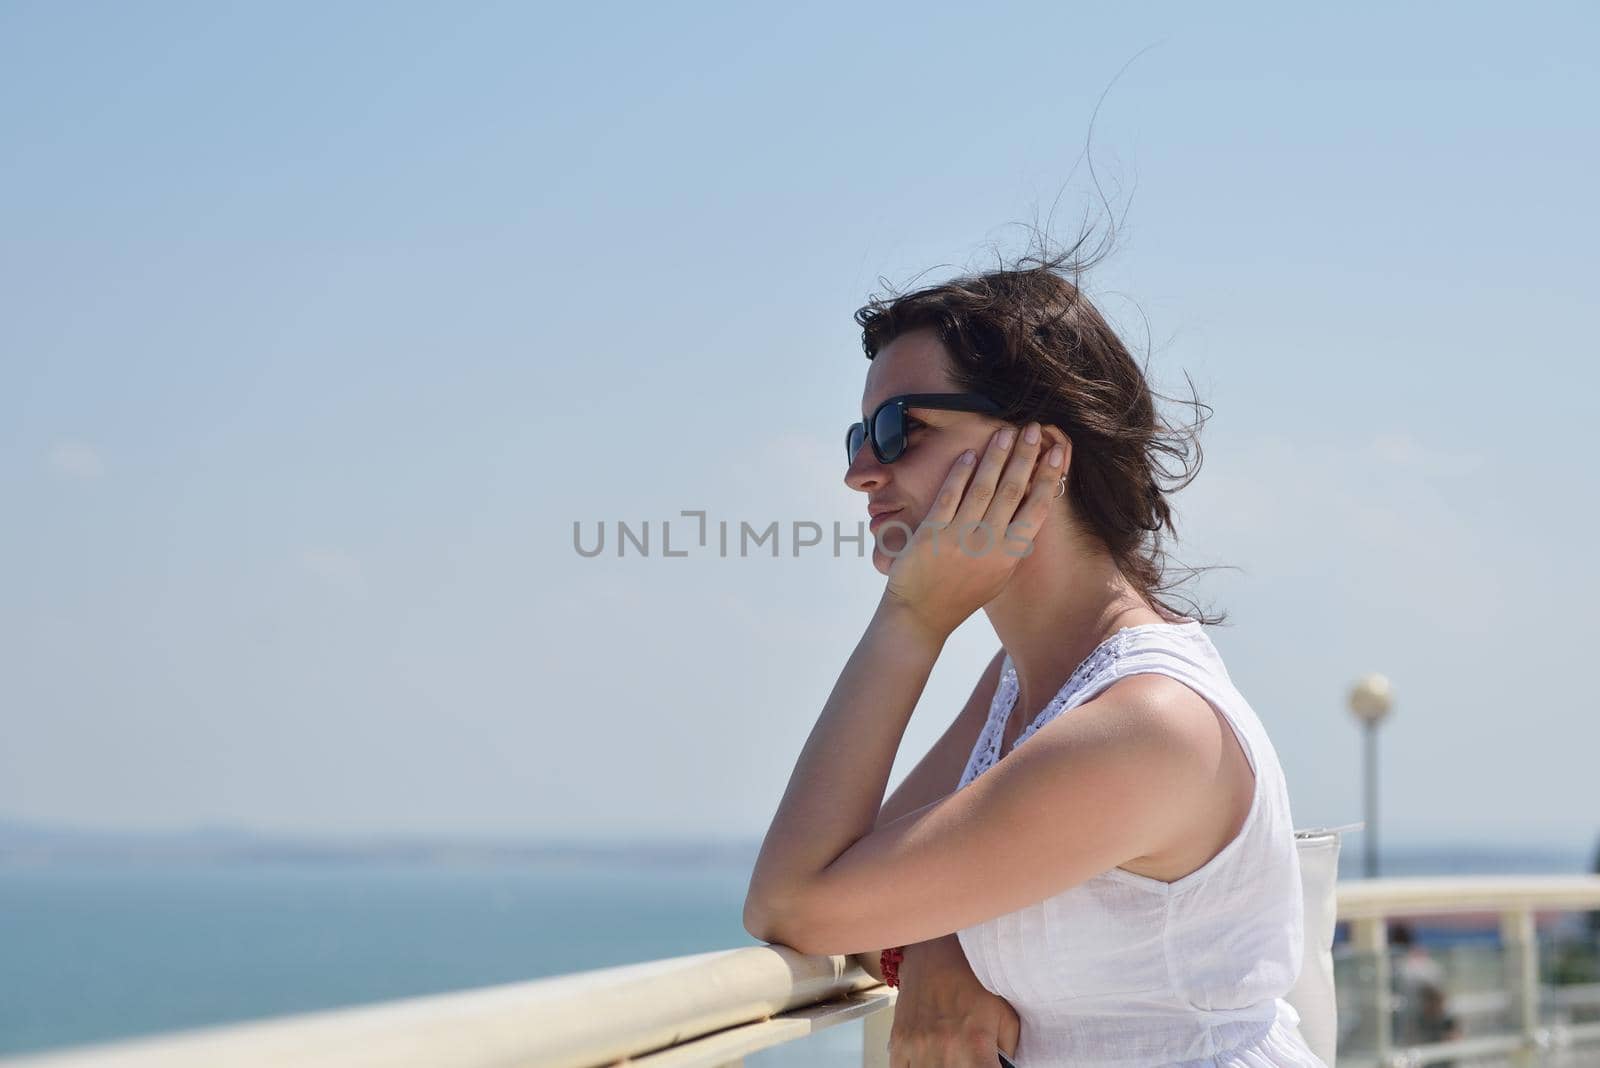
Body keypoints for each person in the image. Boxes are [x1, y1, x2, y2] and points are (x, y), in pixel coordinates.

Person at [743, 232, 1324, 1066]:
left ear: (1040, 452)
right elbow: (856, 884)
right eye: (858, 436)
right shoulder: (1026, 680)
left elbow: (795, 903)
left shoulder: (1146, 723)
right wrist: (933, 946)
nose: (861, 471)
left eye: (899, 427)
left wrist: (912, 620)